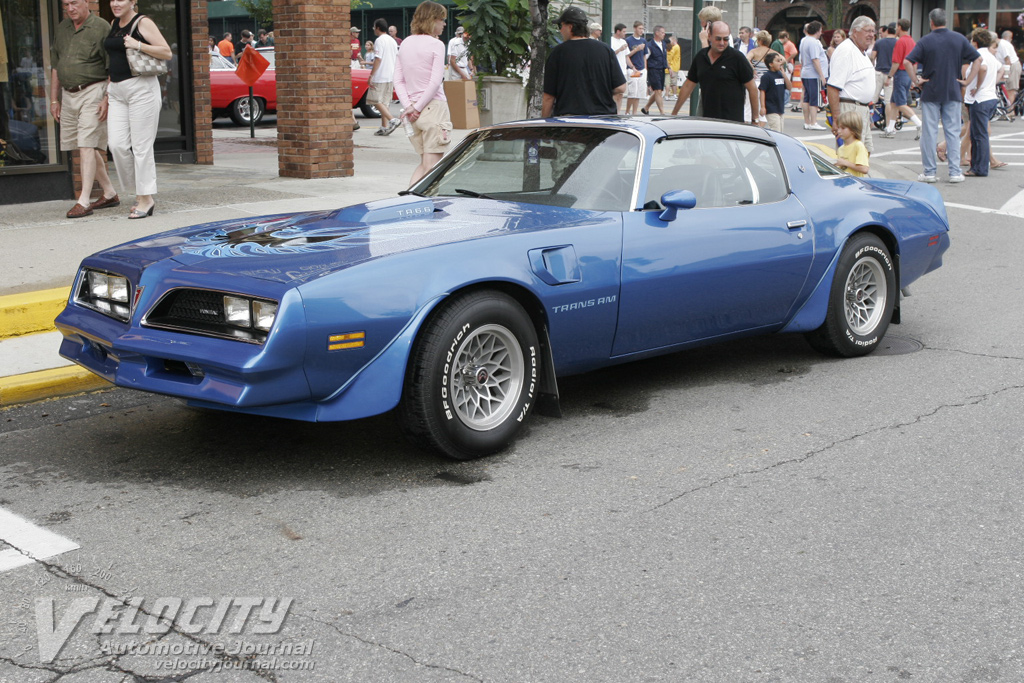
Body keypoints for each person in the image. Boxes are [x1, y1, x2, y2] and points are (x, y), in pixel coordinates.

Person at [50, 0, 119, 218]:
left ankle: (83, 200)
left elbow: (112, 67)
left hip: (94, 90)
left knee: (87, 144)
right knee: (82, 144)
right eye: (66, 4)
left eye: (75, 3)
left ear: (86, 3)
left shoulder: (101, 27)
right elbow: (55, 66)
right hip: (68, 94)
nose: (70, 8)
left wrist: (107, 98)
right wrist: (54, 99)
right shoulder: (63, 28)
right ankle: (109, 193)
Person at [104, 0, 172, 218]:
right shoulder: (114, 22)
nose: (115, 3)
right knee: (116, 145)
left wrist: (138, 45)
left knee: (141, 147)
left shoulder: (142, 22)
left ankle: (146, 198)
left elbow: (166, 52)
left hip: (141, 88)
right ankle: (140, 193)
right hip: (116, 90)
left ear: (133, 1)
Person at [904, 8, 981, 183]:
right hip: (952, 90)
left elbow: (908, 61)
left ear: (931, 22)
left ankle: (929, 172)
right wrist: (967, 81)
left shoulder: (925, 40)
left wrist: (916, 80)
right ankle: (954, 172)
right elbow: (978, 59)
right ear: (947, 21)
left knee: (929, 133)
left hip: (930, 90)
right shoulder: (958, 39)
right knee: (952, 132)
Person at [393, 0, 452, 185]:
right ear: (433, 19)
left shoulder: (406, 43)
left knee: (424, 164)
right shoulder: (437, 44)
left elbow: (398, 80)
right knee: (432, 168)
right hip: (433, 108)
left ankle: (409, 201)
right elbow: (435, 81)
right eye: (442, 19)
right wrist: (417, 107)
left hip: (413, 114)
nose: (444, 24)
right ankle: (421, 205)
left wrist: (410, 106)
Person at [542, 6, 625, 117]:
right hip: (603, 121)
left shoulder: (558, 53)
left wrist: (545, 124)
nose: (560, 30)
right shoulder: (605, 50)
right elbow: (621, 87)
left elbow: (548, 97)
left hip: (569, 120)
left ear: (570, 27)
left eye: (561, 26)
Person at [672, 21, 758, 124]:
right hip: (707, 120)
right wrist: (674, 113)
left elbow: (752, 88)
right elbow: (688, 86)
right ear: (709, 36)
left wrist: (755, 119)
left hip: (732, 122)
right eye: (718, 39)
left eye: (725, 39)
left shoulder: (737, 58)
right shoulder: (701, 57)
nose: (722, 43)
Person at [826, 16, 877, 154]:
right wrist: (837, 119)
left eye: (873, 31)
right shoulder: (846, 51)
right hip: (850, 109)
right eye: (867, 31)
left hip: (861, 110)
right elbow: (832, 87)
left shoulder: (860, 51)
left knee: (864, 152)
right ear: (855, 32)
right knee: (851, 155)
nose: (871, 35)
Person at [962, 29, 998, 176]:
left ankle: (979, 168)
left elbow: (982, 68)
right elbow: (1001, 70)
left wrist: (977, 86)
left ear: (975, 42)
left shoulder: (979, 55)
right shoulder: (991, 56)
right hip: (990, 97)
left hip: (980, 99)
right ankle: (978, 166)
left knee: (978, 135)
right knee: (979, 133)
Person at [885, 19, 923, 139]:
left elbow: (896, 62)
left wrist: (889, 76)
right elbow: (915, 63)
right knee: (894, 103)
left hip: (900, 74)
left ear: (900, 27)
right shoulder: (912, 42)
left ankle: (919, 123)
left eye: (897, 27)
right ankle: (890, 128)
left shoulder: (900, 42)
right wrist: (913, 77)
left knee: (900, 103)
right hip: (908, 74)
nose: (896, 29)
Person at [369, 18, 399, 136]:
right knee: (385, 102)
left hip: (380, 75)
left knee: (374, 100)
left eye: (374, 27)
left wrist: (371, 75)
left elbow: (378, 58)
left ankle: (392, 120)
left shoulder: (379, 40)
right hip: (390, 75)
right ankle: (384, 127)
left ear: (377, 28)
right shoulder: (392, 41)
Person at [799, 21, 828, 130]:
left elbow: (802, 58)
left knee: (806, 98)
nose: (821, 32)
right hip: (814, 74)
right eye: (820, 30)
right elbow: (815, 59)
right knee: (814, 99)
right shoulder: (814, 42)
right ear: (817, 30)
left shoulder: (804, 40)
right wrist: (822, 76)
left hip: (806, 72)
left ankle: (807, 122)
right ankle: (813, 122)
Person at [870, 23, 896, 131]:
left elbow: (872, 56)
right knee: (888, 101)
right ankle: (888, 125)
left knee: (873, 99)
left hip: (878, 72)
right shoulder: (897, 43)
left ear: (886, 31)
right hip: (891, 74)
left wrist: (873, 65)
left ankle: (869, 122)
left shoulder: (879, 42)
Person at [759, 51, 791, 131]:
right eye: (778, 61)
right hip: (771, 108)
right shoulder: (766, 77)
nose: (780, 63)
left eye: (781, 60)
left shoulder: (780, 75)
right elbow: (762, 91)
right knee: (775, 129)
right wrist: (763, 107)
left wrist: (784, 75)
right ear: (771, 64)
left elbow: (789, 87)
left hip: (780, 107)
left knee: (781, 130)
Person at [747, 31, 773, 125]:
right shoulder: (772, 52)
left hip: (755, 81)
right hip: (767, 84)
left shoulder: (754, 51)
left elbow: (746, 59)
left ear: (759, 40)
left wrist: (752, 68)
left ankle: (749, 129)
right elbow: (782, 59)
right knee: (763, 110)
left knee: (748, 108)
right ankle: (760, 129)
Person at [833, 110, 869, 177]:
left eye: (843, 128)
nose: (839, 131)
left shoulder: (858, 145)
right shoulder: (841, 148)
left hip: (855, 184)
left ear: (853, 129)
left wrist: (845, 163)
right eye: (838, 128)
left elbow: (864, 169)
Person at [642, 25, 668, 115]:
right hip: (653, 69)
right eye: (662, 32)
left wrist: (668, 67)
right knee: (657, 91)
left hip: (662, 69)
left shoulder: (663, 44)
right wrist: (646, 69)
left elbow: (664, 57)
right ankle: (662, 112)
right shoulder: (650, 45)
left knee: (659, 90)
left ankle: (646, 107)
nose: (664, 34)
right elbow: (645, 58)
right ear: (656, 33)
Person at [624, 21, 648, 115]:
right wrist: (636, 49)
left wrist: (645, 68)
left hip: (641, 68)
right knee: (632, 92)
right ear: (635, 28)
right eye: (640, 28)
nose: (641, 30)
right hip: (632, 68)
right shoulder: (629, 40)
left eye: (642, 29)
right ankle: (627, 111)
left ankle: (634, 112)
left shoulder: (643, 41)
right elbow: (627, 55)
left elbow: (644, 56)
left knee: (638, 92)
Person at [997, 31, 1020, 118]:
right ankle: (1008, 110)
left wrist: (1005, 75)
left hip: (1012, 66)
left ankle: (1011, 111)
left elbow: (1008, 61)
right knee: (1005, 88)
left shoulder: (1003, 45)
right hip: (1004, 66)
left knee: (1010, 88)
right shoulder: (997, 45)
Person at [610, 23, 629, 111]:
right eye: (623, 31)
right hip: (614, 70)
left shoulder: (624, 41)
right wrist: (620, 49)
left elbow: (626, 56)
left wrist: (632, 67)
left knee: (621, 93)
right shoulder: (611, 40)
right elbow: (610, 55)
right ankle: (613, 110)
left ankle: (618, 111)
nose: (625, 33)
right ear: (618, 31)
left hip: (623, 70)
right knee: (615, 92)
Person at [666, 35, 680, 99]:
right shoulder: (677, 47)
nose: (669, 42)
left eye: (670, 41)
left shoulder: (675, 47)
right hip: (674, 66)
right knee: (673, 82)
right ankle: (673, 94)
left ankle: (671, 94)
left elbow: (670, 55)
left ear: (674, 40)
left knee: (670, 82)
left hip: (672, 67)